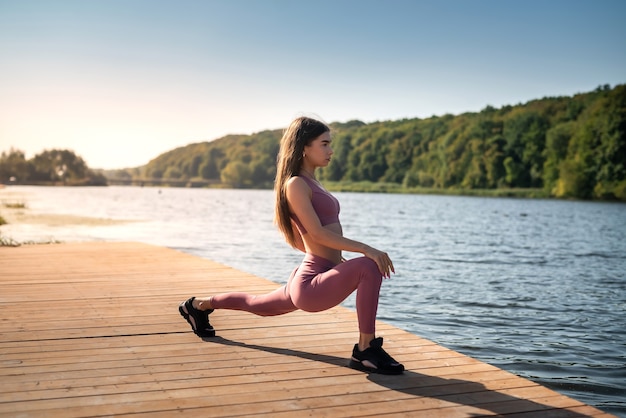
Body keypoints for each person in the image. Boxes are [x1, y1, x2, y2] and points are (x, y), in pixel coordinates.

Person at [179, 116, 404, 375]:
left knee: (256, 304)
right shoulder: (296, 183)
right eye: (324, 144)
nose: (331, 150)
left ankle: (197, 306)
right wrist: (367, 249)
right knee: (368, 266)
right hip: (311, 281)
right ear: (304, 148)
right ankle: (366, 350)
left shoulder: (312, 182)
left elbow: (303, 239)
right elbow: (317, 233)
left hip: (317, 272)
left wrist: (337, 260)